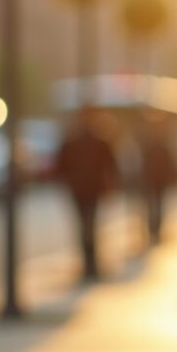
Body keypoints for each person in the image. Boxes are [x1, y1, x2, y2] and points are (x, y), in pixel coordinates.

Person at [54, 106, 119, 282]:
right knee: (89, 226)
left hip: (83, 190)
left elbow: (60, 167)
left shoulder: (77, 141)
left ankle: (89, 265)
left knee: (85, 226)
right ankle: (90, 265)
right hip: (87, 190)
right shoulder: (96, 140)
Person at [136, 110, 177, 245]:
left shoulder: (159, 143)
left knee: (156, 205)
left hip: (157, 179)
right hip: (152, 179)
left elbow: (168, 162)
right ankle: (153, 230)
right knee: (153, 205)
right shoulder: (151, 143)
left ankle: (155, 230)